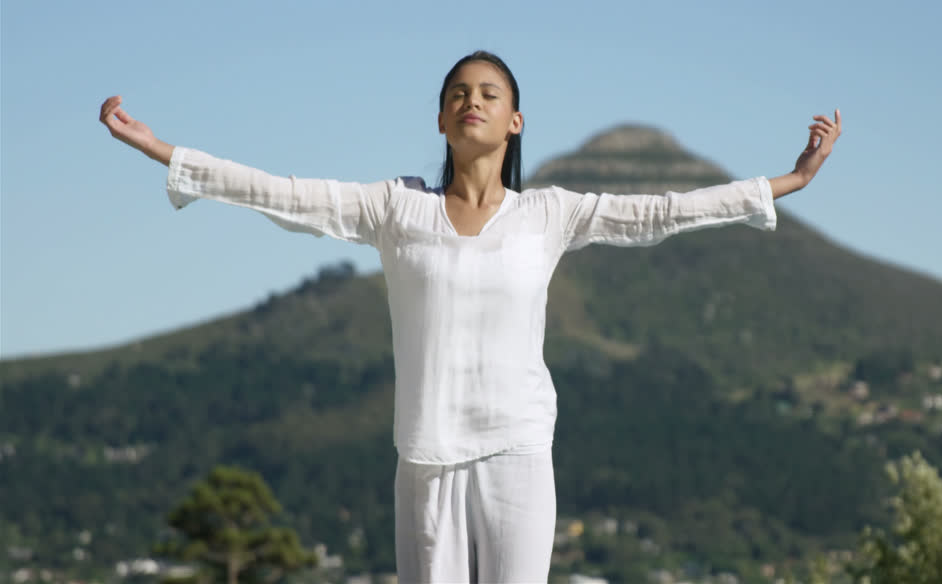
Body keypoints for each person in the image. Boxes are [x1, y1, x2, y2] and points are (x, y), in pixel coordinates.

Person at [99, 50, 842, 584]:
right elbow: (283, 193)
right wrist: (164, 152)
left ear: (514, 120)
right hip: (423, 456)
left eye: (488, 92)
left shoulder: (549, 213)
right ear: (442, 116)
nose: (471, 100)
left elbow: (662, 210)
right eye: (458, 92)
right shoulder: (397, 207)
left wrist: (786, 183)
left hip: (516, 448)